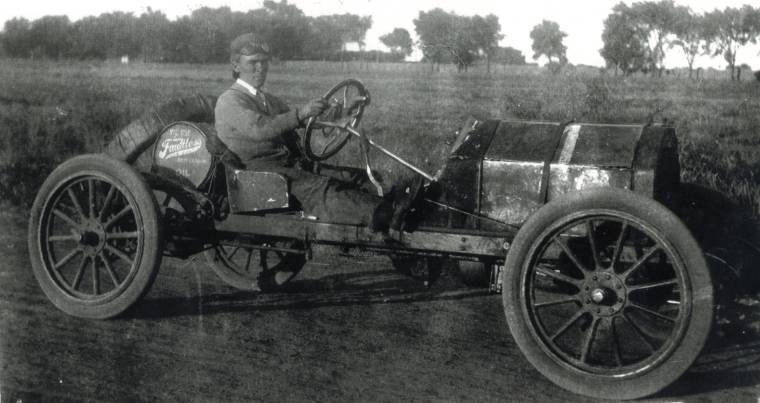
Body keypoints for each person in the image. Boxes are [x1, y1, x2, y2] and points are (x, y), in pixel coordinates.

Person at [214, 33, 418, 232]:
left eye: (264, 62)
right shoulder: (229, 100)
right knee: (321, 188)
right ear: (236, 65)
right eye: (253, 62)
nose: (261, 68)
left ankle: (400, 194)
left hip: (287, 164)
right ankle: (386, 214)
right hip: (258, 172)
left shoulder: (268, 99)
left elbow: (308, 122)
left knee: (348, 176)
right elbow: (260, 128)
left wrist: (344, 111)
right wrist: (301, 113)